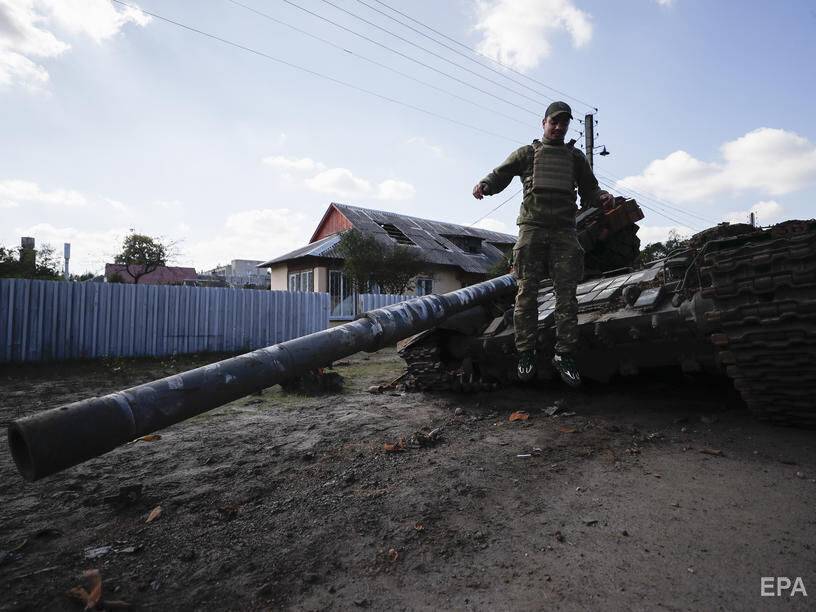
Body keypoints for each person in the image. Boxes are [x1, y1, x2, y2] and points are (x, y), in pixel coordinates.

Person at [472, 101, 614, 386]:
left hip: (564, 230)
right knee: (526, 293)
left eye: (564, 123)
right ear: (544, 123)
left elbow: (590, 188)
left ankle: (564, 354)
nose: (559, 127)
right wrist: (485, 184)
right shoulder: (527, 153)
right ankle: (526, 352)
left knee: (567, 296)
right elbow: (502, 172)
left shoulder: (575, 158)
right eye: (555, 122)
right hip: (532, 229)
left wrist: (602, 197)